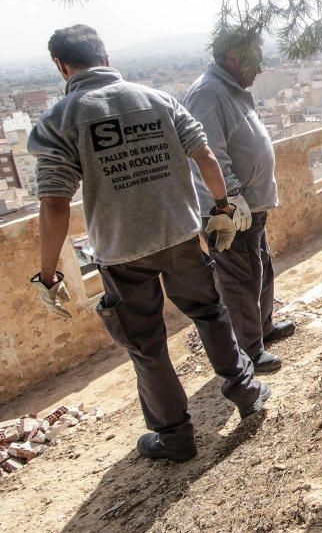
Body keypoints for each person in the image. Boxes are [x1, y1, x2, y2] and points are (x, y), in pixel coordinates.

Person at [29, 24, 270, 463]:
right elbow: (206, 156)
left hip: (122, 252)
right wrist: (221, 208)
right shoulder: (156, 99)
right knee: (210, 313)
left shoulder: (61, 120)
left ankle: (176, 438)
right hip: (179, 235)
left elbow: (55, 204)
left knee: (147, 345)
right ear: (104, 56)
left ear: (61, 66)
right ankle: (247, 392)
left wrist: (48, 275)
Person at [183, 28, 295, 374]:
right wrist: (229, 196)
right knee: (238, 279)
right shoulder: (207, 94)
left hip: (250, 206)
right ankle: (247, 349)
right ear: (233, 57)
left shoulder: (231, 90)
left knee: (258, 266)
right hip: (229, 210)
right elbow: (208, 153)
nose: (259, 69)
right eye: (254, 60)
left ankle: (263, 329)